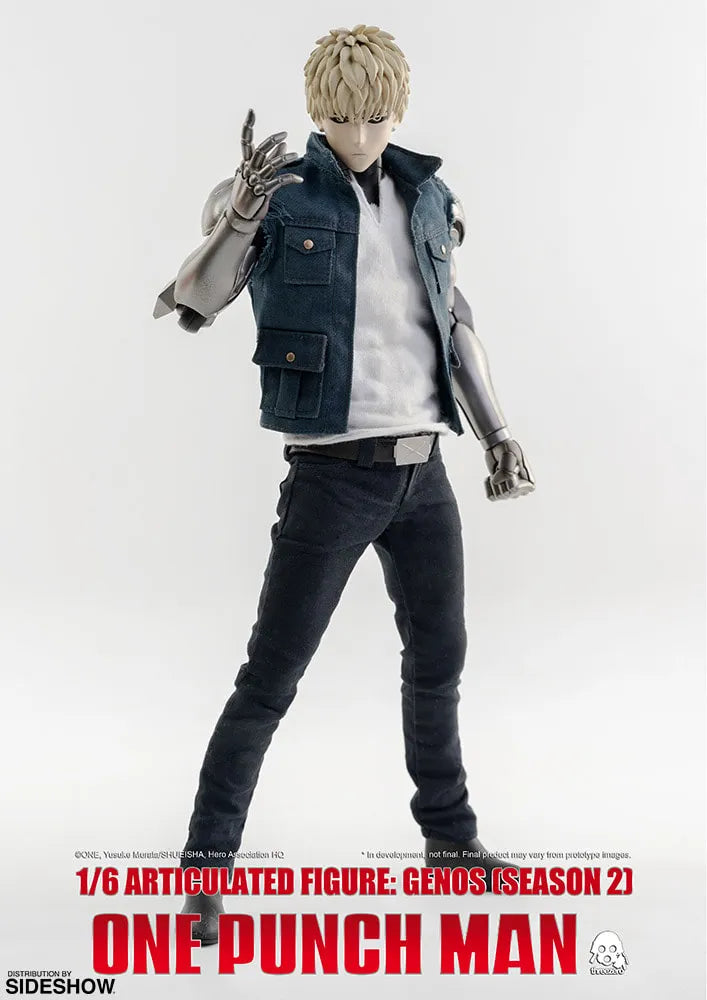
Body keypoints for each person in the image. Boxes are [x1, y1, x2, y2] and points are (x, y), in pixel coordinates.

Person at [154, 24, 534, 944]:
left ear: (396, 111)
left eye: (372, 118)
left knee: (437, 662)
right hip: (330, 476)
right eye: (337, 118)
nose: (356, 136)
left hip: (423, 473)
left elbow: (451, 318)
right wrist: (240, 215)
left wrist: (497, 432)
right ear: (315, 111)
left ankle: (450, 840)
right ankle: (204, 871)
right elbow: (198, 296)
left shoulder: (428, 196)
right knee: (270, 676)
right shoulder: (277, 191)